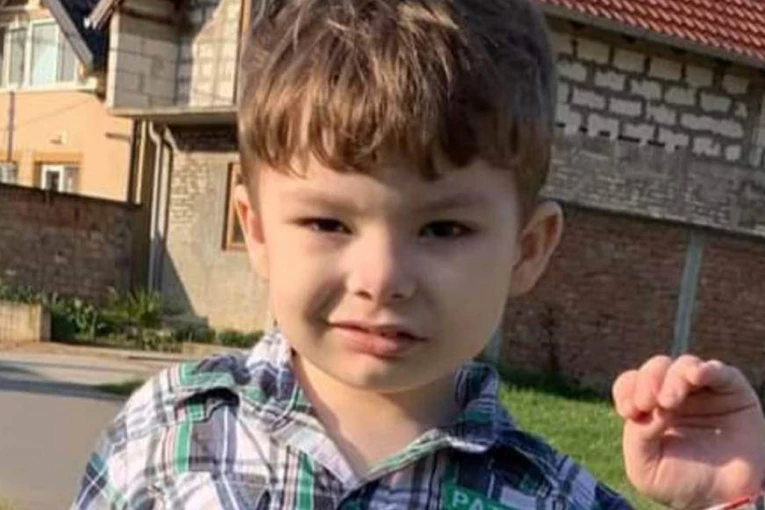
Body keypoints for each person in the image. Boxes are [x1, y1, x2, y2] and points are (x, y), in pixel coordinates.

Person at [71, 0, 765, 508]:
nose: (382, 279)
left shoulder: (550, 498)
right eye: (327, 222)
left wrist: (725, 497)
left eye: (443, 230)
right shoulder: (171, 433)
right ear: (255, 230)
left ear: (526, 249)